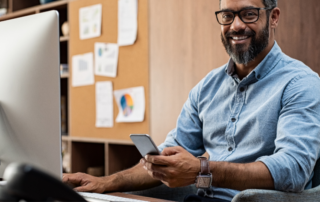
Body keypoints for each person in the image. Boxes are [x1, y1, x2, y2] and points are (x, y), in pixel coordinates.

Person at [63, 0, 320, 201]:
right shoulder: (207, 87)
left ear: (273, 17)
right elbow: (168, 154)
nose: (236, 26)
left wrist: (202, 169)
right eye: (227, 16)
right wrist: (106, 183)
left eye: (249, 14)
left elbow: (293, 169)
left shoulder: (300, 84)